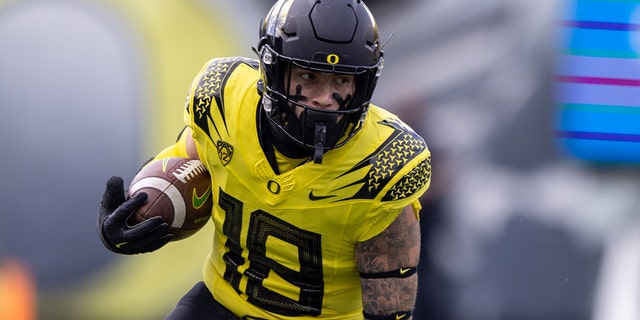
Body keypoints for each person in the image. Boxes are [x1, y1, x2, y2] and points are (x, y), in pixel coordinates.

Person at [97, 0, 432, 319]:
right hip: (222, 305)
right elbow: (183, 166)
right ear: (272, 70)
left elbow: (391, 310)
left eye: (341, 80)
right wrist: (133, 218)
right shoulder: (223, 100)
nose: (325, 99)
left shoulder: (384, 164)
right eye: (309, 76)